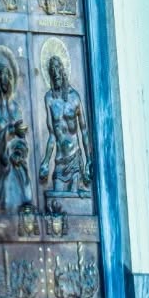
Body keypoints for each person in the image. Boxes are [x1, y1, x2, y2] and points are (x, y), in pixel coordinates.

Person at [40, 50, 92, 197]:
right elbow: (52, 135)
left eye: (57, 68)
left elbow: (84, 131)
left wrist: (88, 161)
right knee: (56, 200)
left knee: (73, 201)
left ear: (63, 70)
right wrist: (46, 162)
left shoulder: (75, 97)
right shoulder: (49, 98)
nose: (55, 72)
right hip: (59, 161)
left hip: (75, 159)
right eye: (52, 70)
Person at [0, 56, 32, 215]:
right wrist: (11, 131)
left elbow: (22, 138)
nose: (6, 79)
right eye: (3, 75)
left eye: (8, 75)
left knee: (24, 199)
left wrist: (20, 153)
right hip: (1, 167)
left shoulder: (16, 108)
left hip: (16, 165)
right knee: (2, 201)